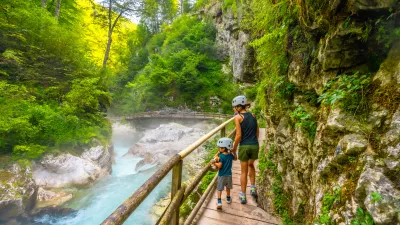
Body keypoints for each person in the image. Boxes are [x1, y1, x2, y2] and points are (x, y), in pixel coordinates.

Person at [231, 95, 259, 204]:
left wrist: (234, 148)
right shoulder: (253, 115)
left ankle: (243, 195)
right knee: (251, 165)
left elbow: (238, 135)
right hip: (255, 145)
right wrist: (254, 141)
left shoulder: (238, 117)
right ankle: (252, 187)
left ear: (238, 107)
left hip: (244, 146)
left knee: (243, 172)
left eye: (234, 107)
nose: (233, 109)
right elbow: (257, 132)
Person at [212, 137, 236, 209]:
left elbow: (219, 166)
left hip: (222, 175)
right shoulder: (230, 155)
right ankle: (228, 198)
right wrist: (233, 152)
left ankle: (219, 202)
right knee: (228, 187)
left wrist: (214, 163)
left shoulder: (221, 156)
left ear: (224, 148)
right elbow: (235, 158)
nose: (219, 149)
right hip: (229, 174)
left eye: (220, 148)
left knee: (219, 189)